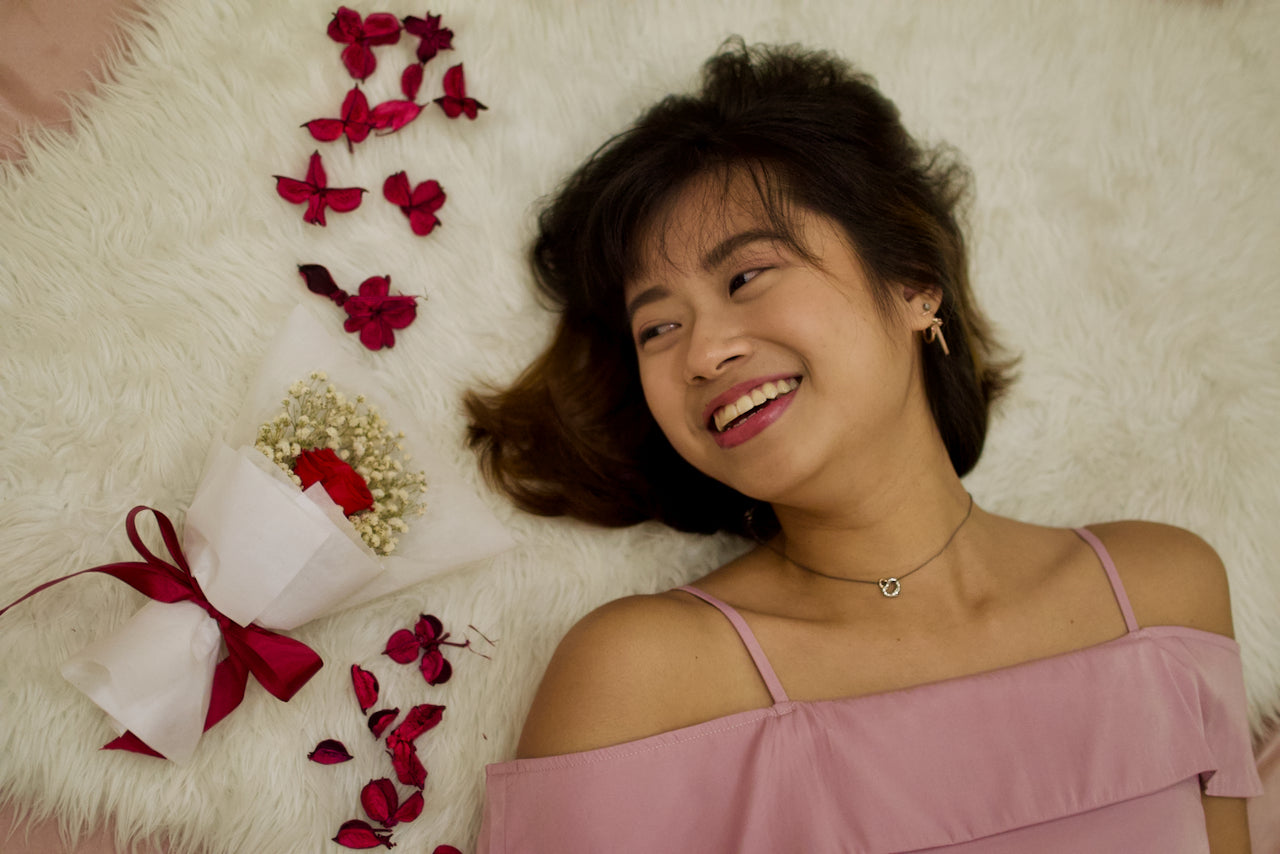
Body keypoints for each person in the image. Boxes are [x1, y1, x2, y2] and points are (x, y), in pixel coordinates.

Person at [464, 40, 1262, 853]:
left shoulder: (1163, 591)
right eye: (658, 328)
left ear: (915, 285)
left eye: (747, 277)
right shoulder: (640, 674)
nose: (703, 354)